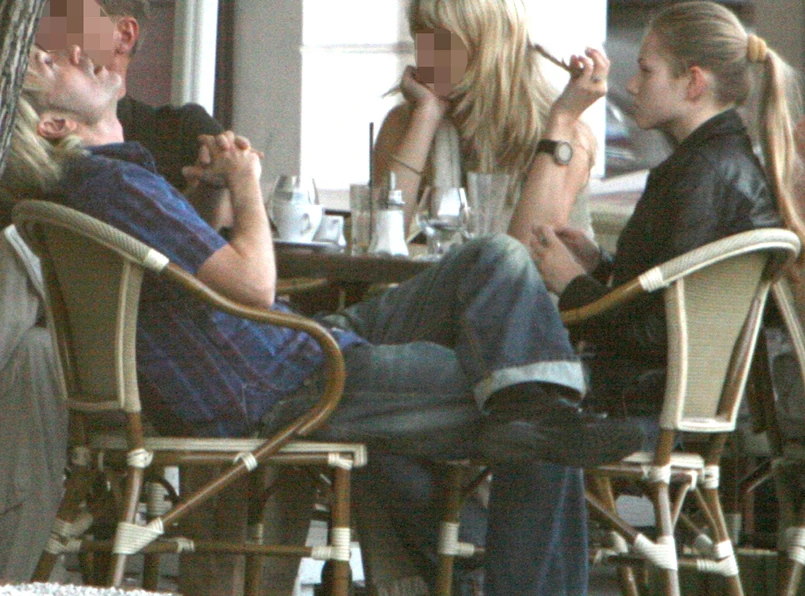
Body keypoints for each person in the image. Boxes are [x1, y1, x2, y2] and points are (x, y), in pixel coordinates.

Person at [2, 45, 644, 596]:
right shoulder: (112, 185)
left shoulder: (100, 186)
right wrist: (247, 186)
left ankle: (525, 426)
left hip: (288, 353)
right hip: (280, 383)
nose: (77, 52)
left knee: (496, 268)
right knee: (532, 393)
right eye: (52, 64)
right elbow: (255, 285)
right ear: (56, 123)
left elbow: (183, 271)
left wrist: (213, 190)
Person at [368, 0, 607, 590]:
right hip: (425, 323)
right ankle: (478, 572)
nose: (425, 53)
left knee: (517, 412)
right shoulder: (407, 121)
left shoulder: (565, 133)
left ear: (487, 44)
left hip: (517, 345)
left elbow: (525, 254)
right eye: (419, 38)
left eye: (440, 39)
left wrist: (559, 123)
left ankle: (475, 571)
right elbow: (385, 232)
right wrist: (427, 116)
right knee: (535, 416)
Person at [0, 0, 226, 582]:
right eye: (47, 41)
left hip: (150, 362)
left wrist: (222, 189)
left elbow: (221, 262)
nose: (64, 45)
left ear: (122, 34)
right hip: (109, 369)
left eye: (64, 20)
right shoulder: (59, 160)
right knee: (36, 346)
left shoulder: (171, 134)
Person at [532, 1, 804, 425]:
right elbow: (676, 294)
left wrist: (571, 284)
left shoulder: (703, 178)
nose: (631, 85)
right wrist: (599, 265)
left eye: (646, 70)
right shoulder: (716, 165)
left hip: (637, 409)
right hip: (657, 404)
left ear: (693, 82)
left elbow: (662, 335)